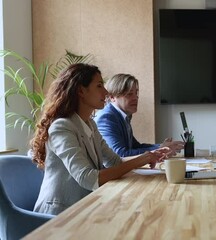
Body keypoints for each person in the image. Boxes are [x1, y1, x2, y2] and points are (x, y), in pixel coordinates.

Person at [31, 64, 170, 215]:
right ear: (81, 91)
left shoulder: (90, 124)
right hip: (59, 214)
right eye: (99, 86)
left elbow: (114, 161)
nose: (105, 91)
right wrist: (140, 160)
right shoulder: (62, 127)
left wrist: (149, 156)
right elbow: (88, 178)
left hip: (87, 206)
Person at [94, 74, 184, 157]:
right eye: (129, 94)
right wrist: (160, 149)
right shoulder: (107, 118)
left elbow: (134, 146)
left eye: (136, 93)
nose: (135, 98)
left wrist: (161, 146)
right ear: (112, 97)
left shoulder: (123, 115)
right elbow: (120, 154)